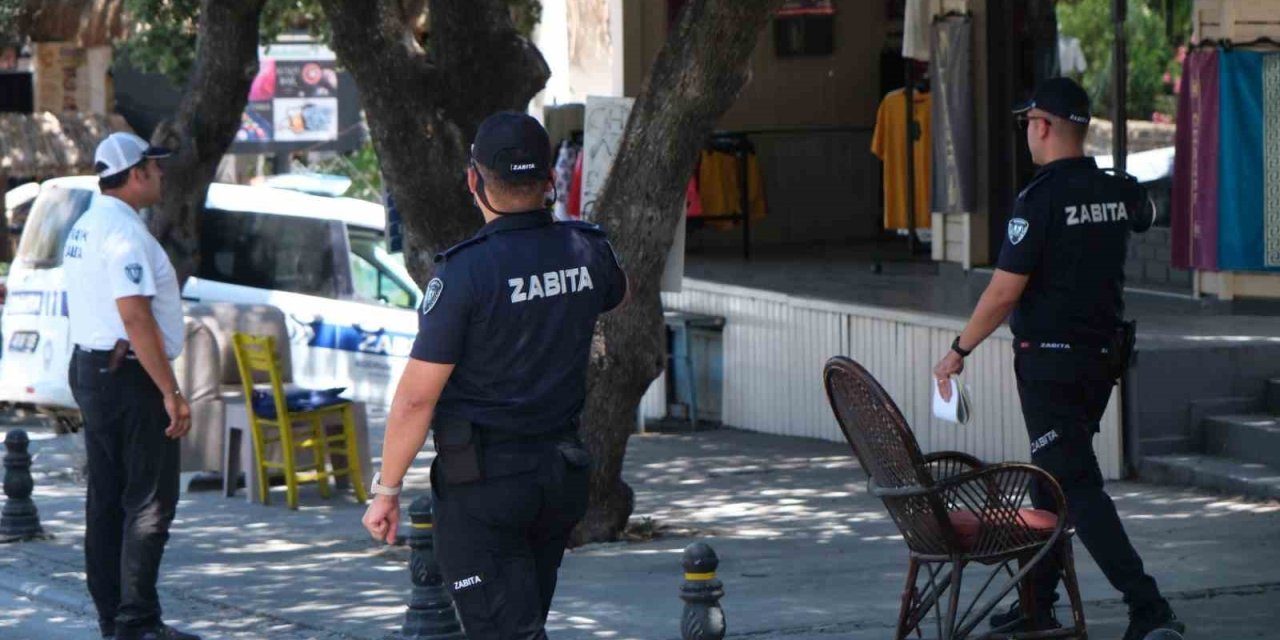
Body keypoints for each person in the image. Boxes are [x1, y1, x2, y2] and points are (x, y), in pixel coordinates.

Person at [930, 78, 1184, 640]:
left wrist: (957, 351)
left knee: (1077, 485)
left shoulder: (1038, 200)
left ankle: (1149, 607)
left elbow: (1003, 291)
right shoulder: (1116, 189)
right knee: (1049, 480)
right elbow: (1142, 214)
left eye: (1027, 123)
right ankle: (1036, 603)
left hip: (1050, 367)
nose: (1025, 132)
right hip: (1099, 361)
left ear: (1042, 125)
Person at [362, 111, 628, 639]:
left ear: (474, 180)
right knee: (522, 621)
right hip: (560, 477)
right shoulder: (588, 249)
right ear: (551, 180)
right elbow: (621, 293)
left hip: (485, 489)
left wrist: (386, 489)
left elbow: (416, 400)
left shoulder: (465, 272)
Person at [62, 132, 199, 640]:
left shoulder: (85, 225)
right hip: (129, 375)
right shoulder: (123, 234)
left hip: (95, 368)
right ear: (136, 173)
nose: (162, 175)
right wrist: (171, 391)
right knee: (148, 501)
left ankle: (115, 616)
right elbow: (135, 315)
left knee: (107, 499)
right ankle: (136, 622)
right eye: (155, 167)